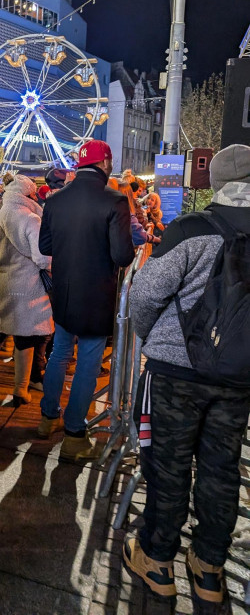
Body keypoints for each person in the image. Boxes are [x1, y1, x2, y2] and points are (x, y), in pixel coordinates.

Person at [123, 144, 250, 604]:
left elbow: (145, 294)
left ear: (215, 182)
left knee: (167, 463)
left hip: (177, 371)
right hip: (238, 376)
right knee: (221, 468)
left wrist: (153, 338)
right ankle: (209, 570)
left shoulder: (191, 229)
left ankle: (157, 560)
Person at [37, 140, 135, 460]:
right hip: (96, 292)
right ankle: (75, 433)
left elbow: (46, 246)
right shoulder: (115, 200)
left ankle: (48, 416)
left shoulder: (55, 199)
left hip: (64, 290)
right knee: (89, 360)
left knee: (60, 352)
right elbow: (122, 254)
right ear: (105, 163)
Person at [0, 175, 53, 405]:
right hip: (27, 285)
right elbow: (43, 257)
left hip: (3, 281)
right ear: (29, 194)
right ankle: (20, 389)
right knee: (26, 337)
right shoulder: (31, 219)